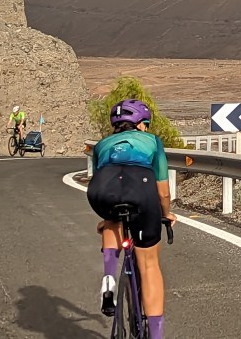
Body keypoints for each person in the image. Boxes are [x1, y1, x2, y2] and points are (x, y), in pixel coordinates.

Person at [86, 99, 175, 339]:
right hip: (141, 188)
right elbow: (163, 192)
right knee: (149, 264)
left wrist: (106, 217)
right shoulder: (152, 141)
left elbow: (103, 179)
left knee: (111, 219)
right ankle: (155, 335)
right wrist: (165, 214)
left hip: (102, 190)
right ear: (141, 123)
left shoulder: (101, 145)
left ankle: (108, 277)